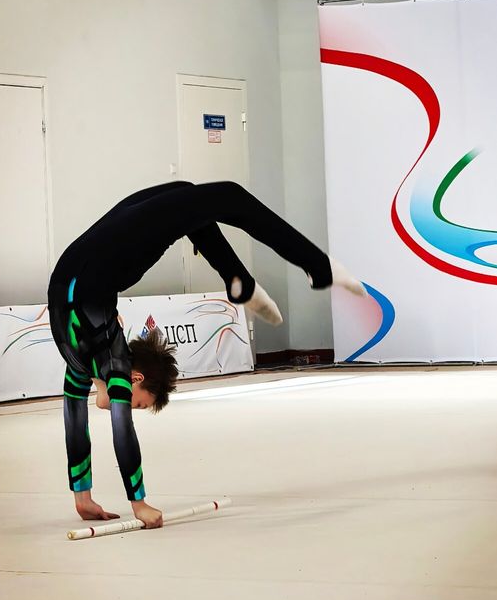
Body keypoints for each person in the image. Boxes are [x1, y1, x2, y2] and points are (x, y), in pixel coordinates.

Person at [48, 180, 366, 528]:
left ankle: (310, 267)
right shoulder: (90, 364)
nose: (128, 406)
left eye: (136, 404)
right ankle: (241, 279)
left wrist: (124, 503)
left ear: (136, 378)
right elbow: (85, 421)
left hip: (104, 258)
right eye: (136, 404)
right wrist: (97, 498)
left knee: (220, 195)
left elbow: (103, 427)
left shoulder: (105, 367)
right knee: (199, 200)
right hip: (84, 266)